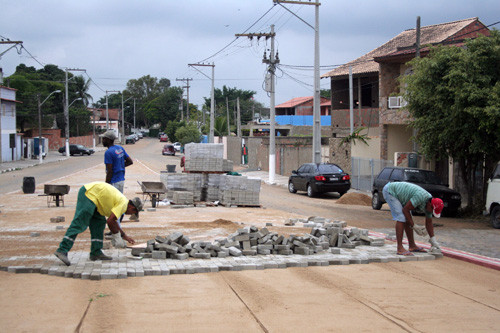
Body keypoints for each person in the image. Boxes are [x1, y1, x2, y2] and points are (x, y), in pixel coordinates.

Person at [54, 182, 143, 266]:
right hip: (89, 194)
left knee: (99, 223)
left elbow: (113, 221)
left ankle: (96, 252)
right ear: (132, 207)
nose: (130, 214)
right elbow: (110, 221)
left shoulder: (123, 203)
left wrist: (124, 236)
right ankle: (62, 250)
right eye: (133, 212)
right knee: (80, 222)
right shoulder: (123, 204)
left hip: (96, 201)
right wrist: (116, 237)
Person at [382, 181, 444, 256]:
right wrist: (414, 226)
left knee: (408, 218)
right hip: (390, 191)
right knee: (401, 217)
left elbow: (429, 222)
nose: (431, 212)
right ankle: (400, 248)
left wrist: (433, 241)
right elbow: (405, 209)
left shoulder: (430, 204)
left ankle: (412, 246)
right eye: (432, 211)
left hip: (401, 195)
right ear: (430, 205)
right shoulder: (421, 197)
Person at [101, 130, 134, 224]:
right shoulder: (120, 148)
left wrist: (106, 185)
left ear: (108, 140)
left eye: (103, 139)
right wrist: (120, 167)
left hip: (114, 182)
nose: (102, 140)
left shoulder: (108, 153)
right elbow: (129, 161)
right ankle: (116, 228)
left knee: (113, 207)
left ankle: (116, 229)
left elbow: (110, 171)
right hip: (121, 180)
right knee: (118, 204)